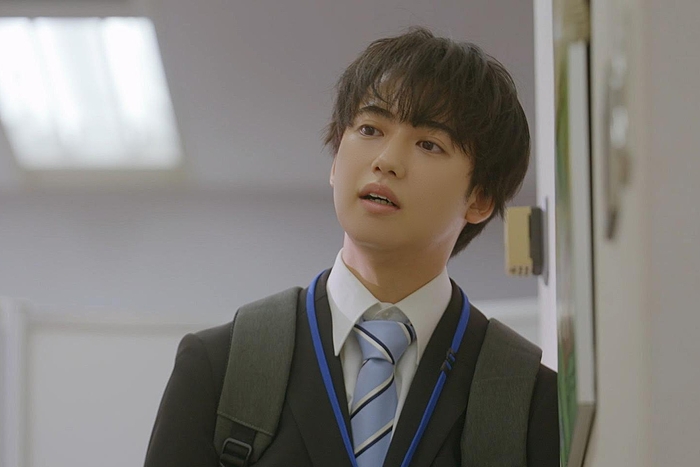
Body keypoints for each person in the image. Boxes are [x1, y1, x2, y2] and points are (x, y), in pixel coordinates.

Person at [144, 27, 558, 467]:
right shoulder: (222, 367)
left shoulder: (528, 400)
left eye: (429, 144)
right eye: (369, 128)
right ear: (335, 160)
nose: (387, 160)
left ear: (480, 199)